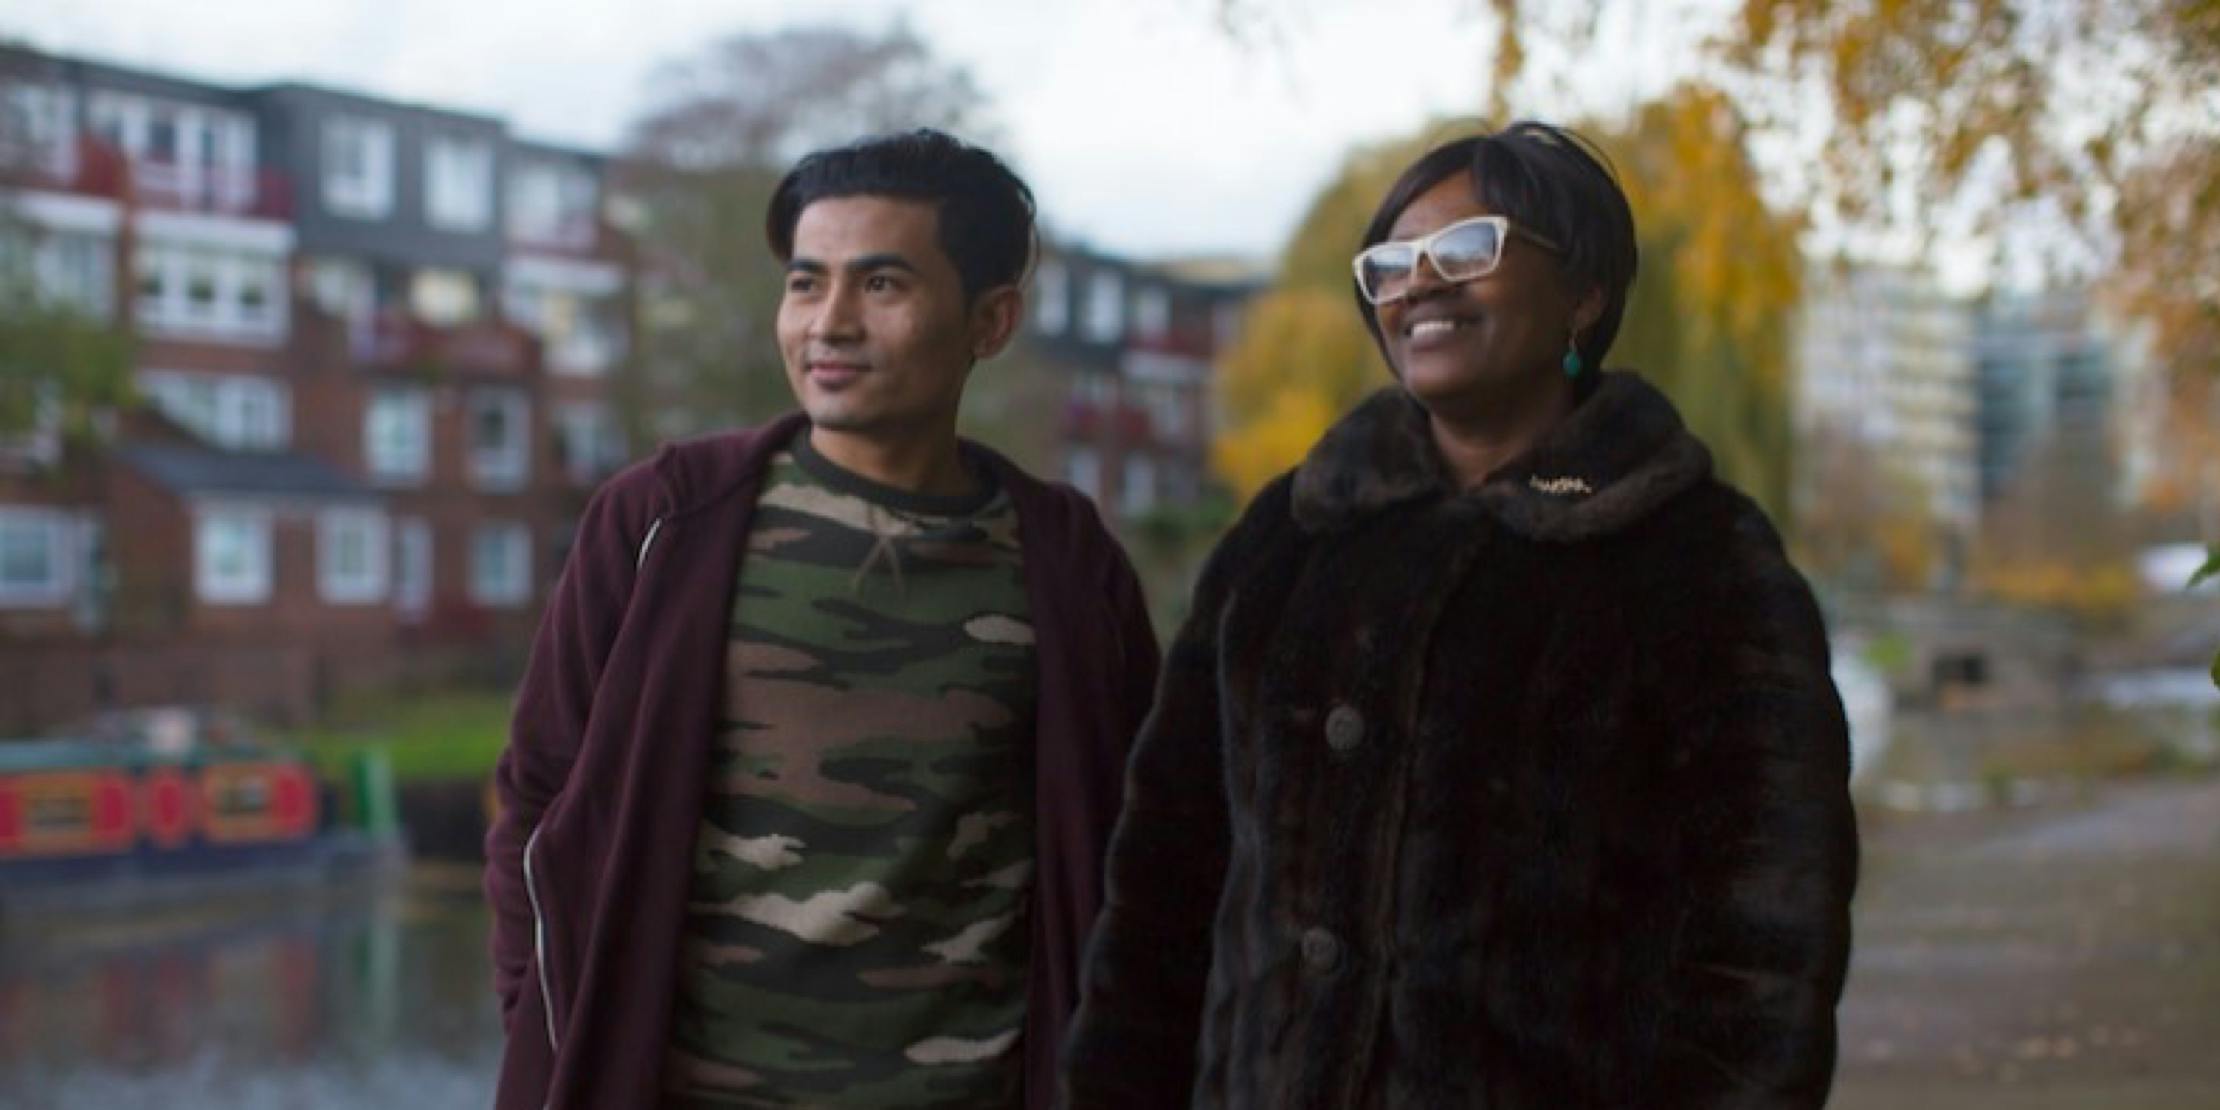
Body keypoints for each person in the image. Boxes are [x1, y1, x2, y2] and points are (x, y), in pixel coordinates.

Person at [1061, 121, 1858, 1107]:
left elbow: (1764, 957)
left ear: (1585, 290)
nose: (1418, 284)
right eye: (1390, 263)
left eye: (1468, 249)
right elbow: (1162, 896)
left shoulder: (1701, 561)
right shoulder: (1288, 541)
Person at [485, 129, 1160, 1110]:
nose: (828, 323)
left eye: (882, 286)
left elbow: (1141, 849)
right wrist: (551, 1029)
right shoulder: (665, 523)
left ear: (991, 319)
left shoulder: (1065, 562)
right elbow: (539, 799)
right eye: (806, 284)